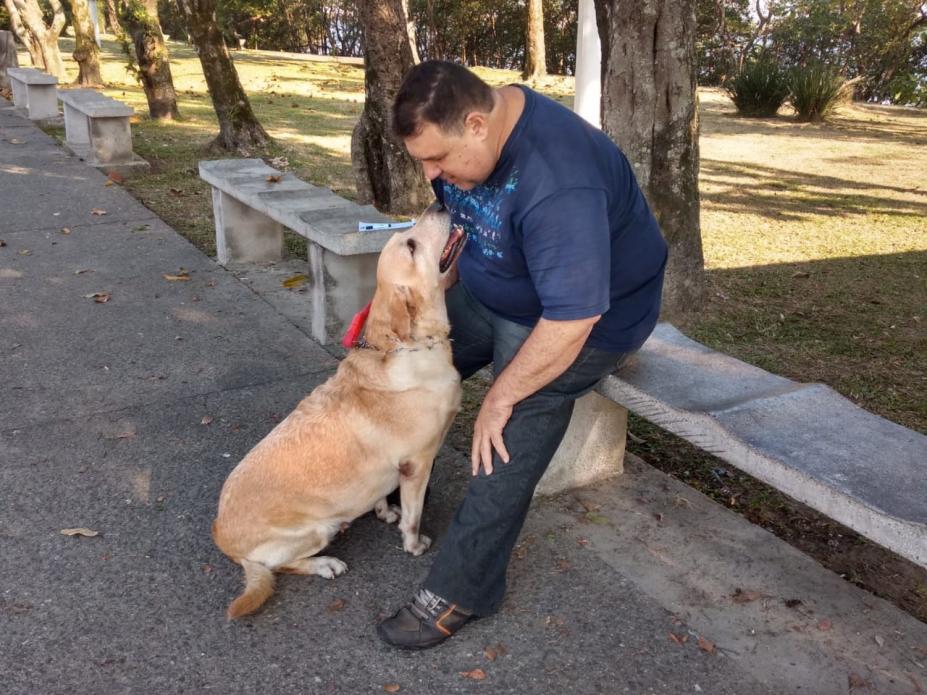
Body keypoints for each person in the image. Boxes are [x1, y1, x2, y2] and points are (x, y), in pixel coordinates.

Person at [376, 60, 668, 650]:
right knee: (393, 370)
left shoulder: (559, 180)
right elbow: (466, 222)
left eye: (439, 160)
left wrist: (502, 394)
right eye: (424, 161)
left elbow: (572, 318)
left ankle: (462, 588)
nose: (432, 174)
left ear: (478, 124)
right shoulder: (463, 141)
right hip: (497, 291)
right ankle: (378, 480)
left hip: (582, 322)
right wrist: (427, 295)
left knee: (502, 435)